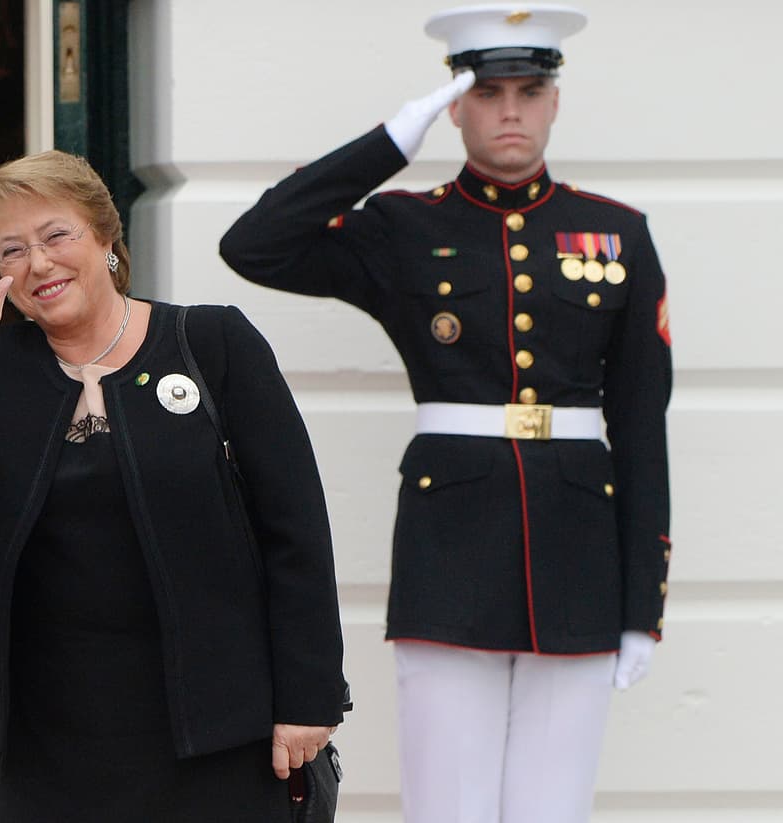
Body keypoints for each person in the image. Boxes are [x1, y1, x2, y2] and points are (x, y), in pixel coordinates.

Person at [219, 5, 672, 823]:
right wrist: (390, 143)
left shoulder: (616, 234)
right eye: (487, 92)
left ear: (555, 101)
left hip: (578, 557)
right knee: (446, 806)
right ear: (455, 106)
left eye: (528, 91)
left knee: (553, 809)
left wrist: (643, 604)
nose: (510, 111)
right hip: (450, 552)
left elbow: (641, 428)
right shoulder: (405, 226)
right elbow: (255, 243)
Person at [0, 149, 349, 822]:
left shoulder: (212, 342)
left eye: (56, 235)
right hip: (54, 741)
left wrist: (309, 698)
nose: (39, 263)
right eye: (12, 251)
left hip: (217, 728)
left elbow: (296, 530)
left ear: (105, 236)